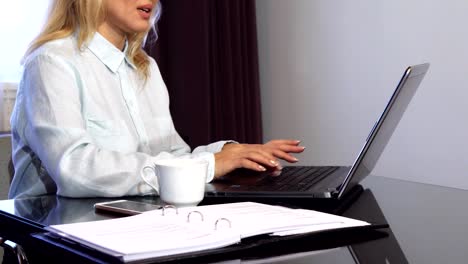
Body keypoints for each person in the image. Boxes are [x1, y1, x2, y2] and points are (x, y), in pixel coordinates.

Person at [8, 0, 304, 199]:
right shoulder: (51, 62)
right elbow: (75, 170)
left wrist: (233, 155)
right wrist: (210, 164)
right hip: (61, 241)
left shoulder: (145, 67)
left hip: (140, 226)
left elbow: (172, 157)